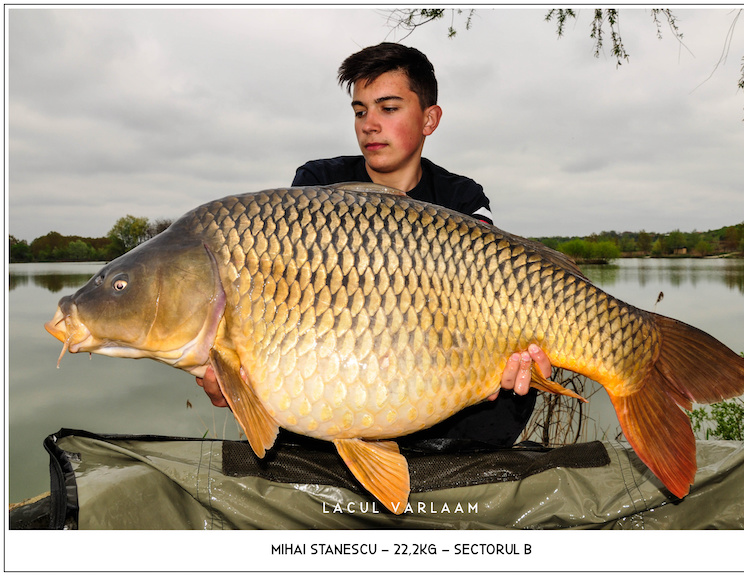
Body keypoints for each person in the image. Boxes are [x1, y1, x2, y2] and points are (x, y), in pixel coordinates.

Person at [197, 42, 552, 446]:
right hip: (341, 371)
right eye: (360, 111)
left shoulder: (461, 198)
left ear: (429, 119)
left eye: (388, 108)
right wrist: (237, 374)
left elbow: (494, 293)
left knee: (506, 391)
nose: (369, 124)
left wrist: (506, 364)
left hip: (435, 373)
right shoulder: (316, 186)